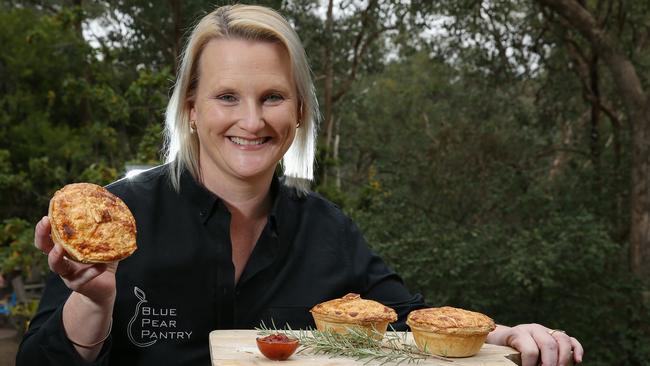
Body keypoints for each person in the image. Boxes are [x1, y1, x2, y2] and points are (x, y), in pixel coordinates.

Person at [16, 4, 584, 366]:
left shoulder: (329, 231)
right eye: (227, 97)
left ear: (300, 112)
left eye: (273, 97)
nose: (252, 121)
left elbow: (417, 324)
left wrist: (509, 336)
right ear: (191, 108)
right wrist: (94, 303)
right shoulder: (114, 219)